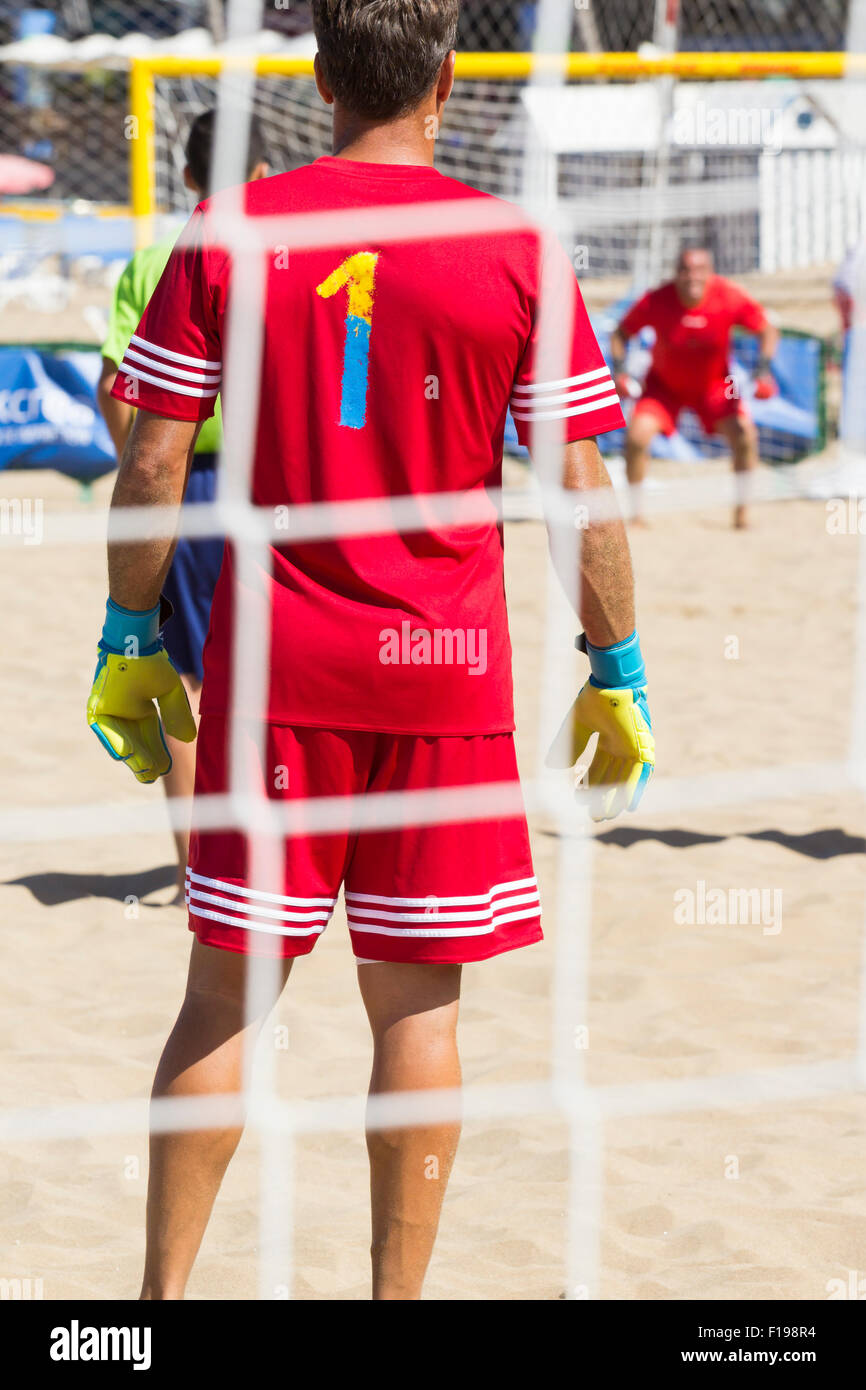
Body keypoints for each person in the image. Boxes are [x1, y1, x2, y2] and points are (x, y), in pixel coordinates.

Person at [86, 0, 654, 1301]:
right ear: (448, 79)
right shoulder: (513, 242)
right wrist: (613, 662)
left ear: (320, 75)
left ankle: (155, 1308)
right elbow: (578, 483)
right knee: (416, 1016)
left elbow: (154, 455)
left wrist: (128, 627)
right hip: (443, 678)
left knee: (223, 1001)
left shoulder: (232, 230)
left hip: (268, 679)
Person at [97, 110, 270, 900]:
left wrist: (139, 470)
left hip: (190, 483)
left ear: (190, 179)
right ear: (264, 171)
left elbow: (115, 390)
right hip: (281, 483)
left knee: (183, 680)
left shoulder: (152, 262)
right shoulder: (287, 250)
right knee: (274, 673)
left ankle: (193, 865)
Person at [610, 245, 779, 529]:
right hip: (663, 385)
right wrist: (621, 372)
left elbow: (768, 329)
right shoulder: (656, 299)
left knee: (746, 435)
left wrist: (762, 371)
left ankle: (741, 516)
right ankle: (636, 515)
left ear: (710, 273)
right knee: (637, 437)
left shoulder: (728, 295)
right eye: (685, 270)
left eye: (699, 270)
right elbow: (619, 333)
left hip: (718, 385)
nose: (692, 277)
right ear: (676, 273)